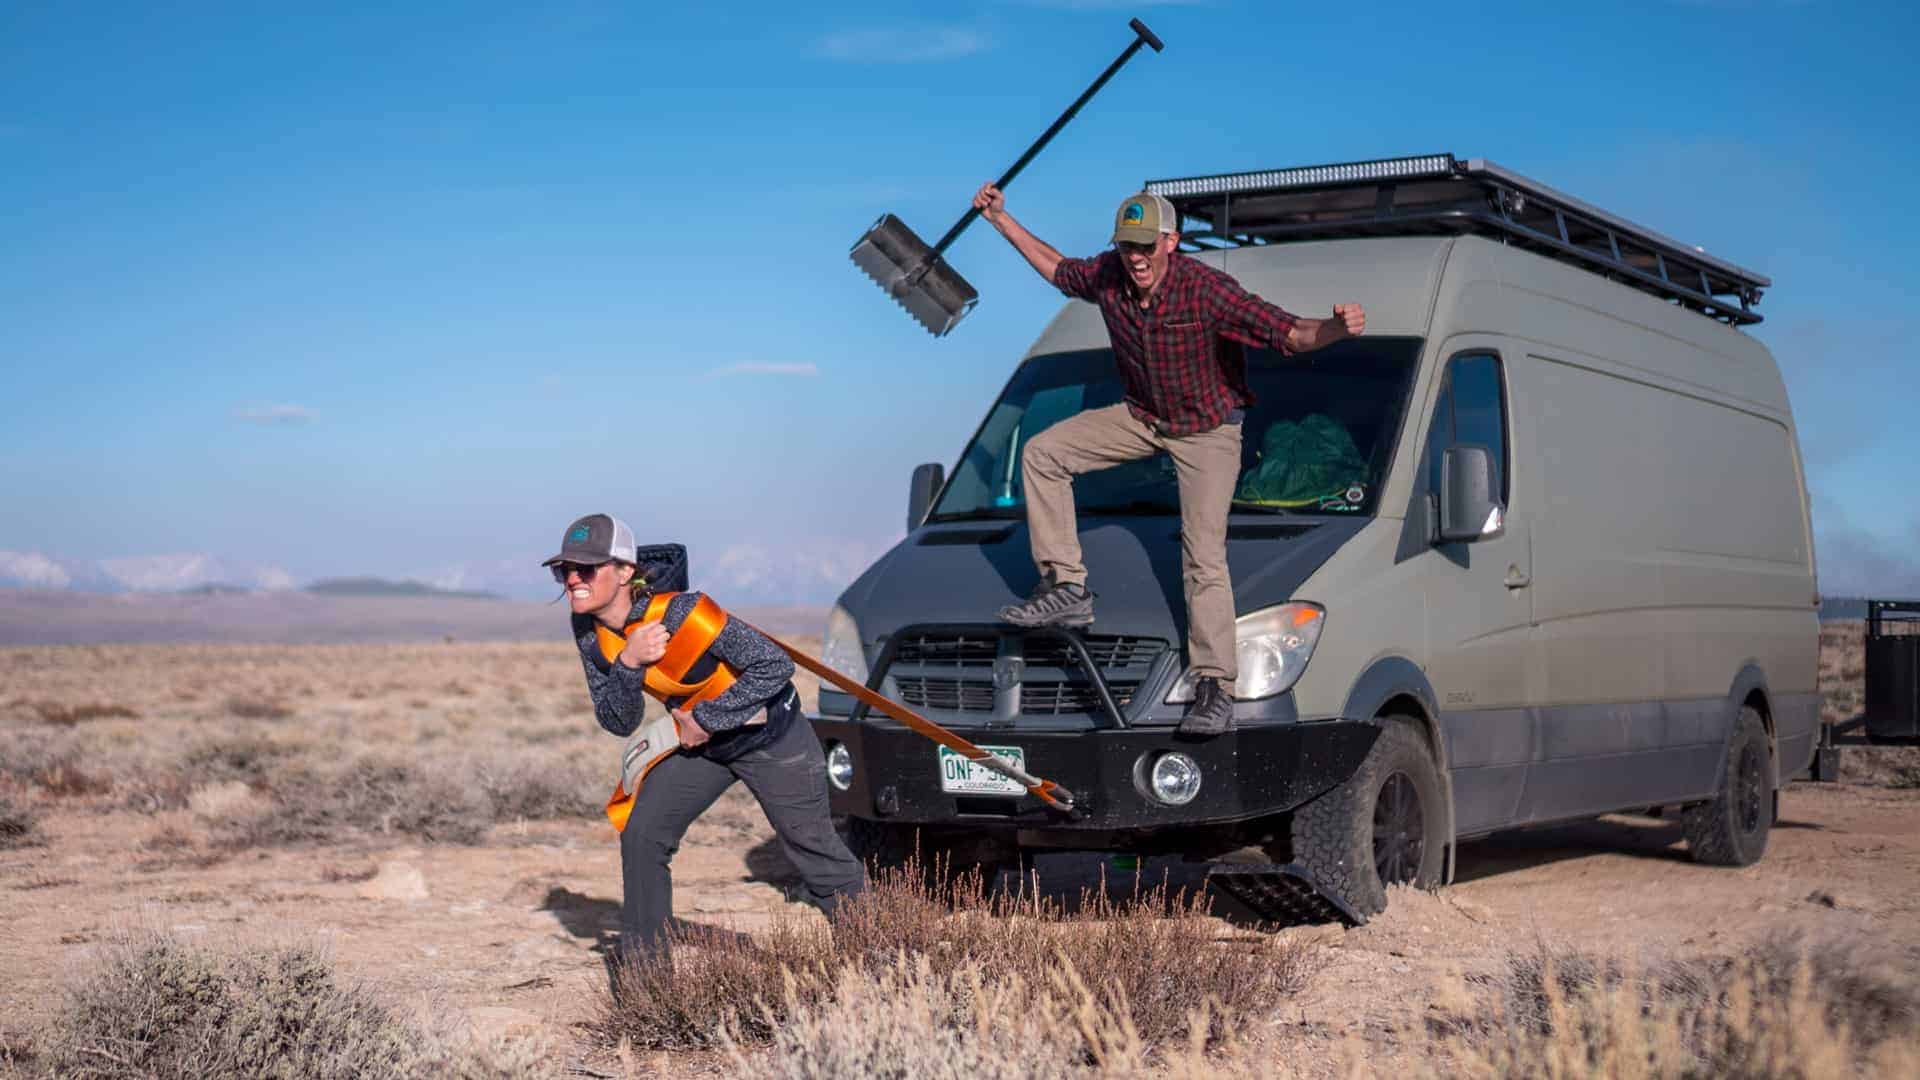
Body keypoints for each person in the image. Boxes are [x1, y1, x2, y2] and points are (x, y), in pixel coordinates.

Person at [973, 183, 1367, 737]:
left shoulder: (1206, 291)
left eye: (1146, 247)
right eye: (1127, 247)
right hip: (1144, 418)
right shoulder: (1110, 275)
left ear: (1171, 243)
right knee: (1043, 453)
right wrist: (1000, 220)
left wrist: (1334, 330)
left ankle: (1214, 687)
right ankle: (1067, 588)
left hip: (1207, 431)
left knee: (1202, 555)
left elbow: (1287, 332)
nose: (1136, 259)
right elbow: (1058, 269)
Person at [545, 512, 865, 963]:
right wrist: (629, 665)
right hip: (707, 747)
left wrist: (708, 718)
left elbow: (774, 666)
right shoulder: (589, 631)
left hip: (774, 738)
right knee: (642, 834)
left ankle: (883, 962)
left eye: (586, 569)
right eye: (565, 570)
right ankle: (648, 989)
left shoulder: (684, 612)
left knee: (813, 851)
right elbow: (617, 720)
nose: (573, 579)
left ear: (623, 572)